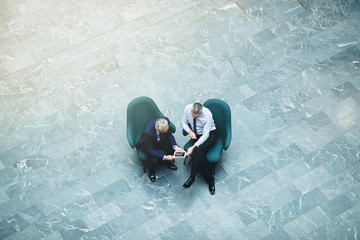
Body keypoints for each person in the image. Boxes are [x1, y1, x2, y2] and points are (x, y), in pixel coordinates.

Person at [181, 102, 217, 195]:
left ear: (200, 113)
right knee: (201, 155)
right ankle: (211, 180)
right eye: (192, 115)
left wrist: (193, 147)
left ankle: (192, 178)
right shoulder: (187, 108)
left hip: (209, 134)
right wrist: (189, 131)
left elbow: (206, 135)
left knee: (199, 150)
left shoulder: (207, 114)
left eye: (196, 116)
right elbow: (183, 123)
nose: (193, 117)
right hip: (195, 134)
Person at [136, 117, 184, 182]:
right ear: (158, 129)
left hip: (160, 140)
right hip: (148, 145)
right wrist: (165, 157)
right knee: (154, 160)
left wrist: (175, 146)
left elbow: (169, 135)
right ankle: (151, 172)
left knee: (172, 149)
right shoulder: (147, 132)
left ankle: (167, 162)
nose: (166, 131)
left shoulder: (165, 121)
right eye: (164, 131)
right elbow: (150, 150)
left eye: (167, 129)